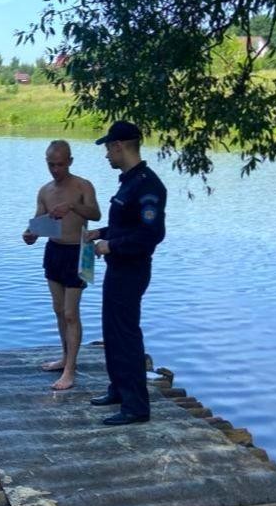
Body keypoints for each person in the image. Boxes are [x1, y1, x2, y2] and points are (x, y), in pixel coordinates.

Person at [84, 121, 167, 425]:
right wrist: (100, 233)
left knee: (126, 334)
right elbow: (126, 226)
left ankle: (136, 407)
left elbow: (151, 234)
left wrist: (111, 246)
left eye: (108, 148)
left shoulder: (148, 185)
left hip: (131, 269)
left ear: (119, 146)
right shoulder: (129, 182)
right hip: (118, 267)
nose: (107, 154)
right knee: (112, 332)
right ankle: (118, 389)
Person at [22, 140, 101, 390]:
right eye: (50, 164)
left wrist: (73, 206)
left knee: (70, 313)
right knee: (58, 310)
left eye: (59, 164)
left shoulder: (83, 186)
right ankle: (65, 358)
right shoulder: (45, 190)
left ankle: (70, 370)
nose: (55, 169)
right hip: (54, 250)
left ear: (70, 161)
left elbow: (96, 214)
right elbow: (37, 222)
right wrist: (29, 235)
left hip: (79, 251)